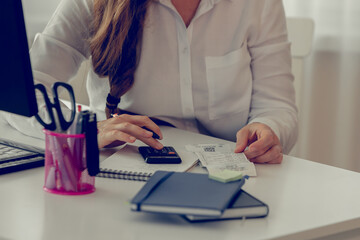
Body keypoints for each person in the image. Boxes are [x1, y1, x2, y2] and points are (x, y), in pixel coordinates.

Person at [4, 0, 297, 164]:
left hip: (233, 172)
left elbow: (277, 105)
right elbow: (20, 94)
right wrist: (85, 130)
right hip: (126, 170)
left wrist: (271, 129)